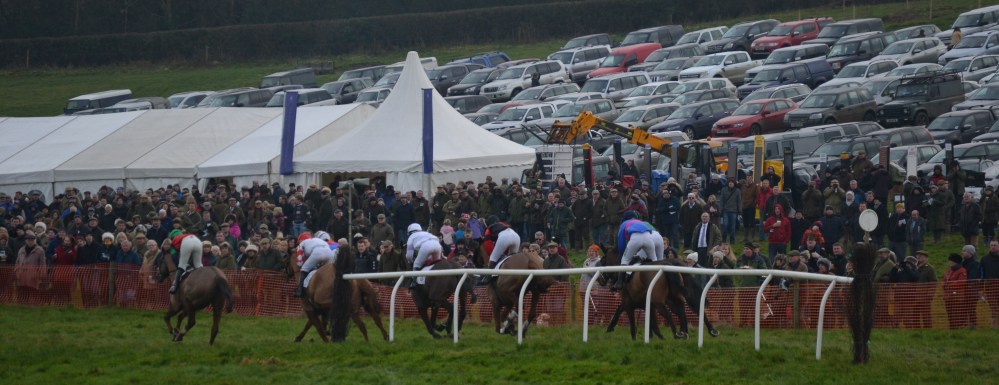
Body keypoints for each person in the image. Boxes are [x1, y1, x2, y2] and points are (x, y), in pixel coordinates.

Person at [613, 211, 661, 291]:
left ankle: (619, 282)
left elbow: (621, 243)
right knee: (654, 261)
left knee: (625, 259)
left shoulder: (624, 224)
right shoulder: (640, 221)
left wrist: (622, 254)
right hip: (649, 238)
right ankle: (658, 280)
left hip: (635, 238)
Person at [294, 231, 338, 298]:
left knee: (304, 269)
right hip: (329, 253)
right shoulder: (317, 240)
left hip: (317, 253)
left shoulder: (302, 243)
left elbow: (299, 262)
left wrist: (304, 267)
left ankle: (300, 291)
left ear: (301, 240)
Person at [479, 217, 519, 285]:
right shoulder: (504, 224)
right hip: (516, 236)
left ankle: (488, 277)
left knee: (493, 258)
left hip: (504, 237)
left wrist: (492, 256)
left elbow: (488, 244)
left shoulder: (489, 229)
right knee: (513, 258)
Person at [405, 223, 444, 289]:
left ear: (410, 232)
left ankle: (414, 282)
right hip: (438, 245)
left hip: (426, 247)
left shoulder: (411, 237)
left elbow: (409, 255)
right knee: (436, 265)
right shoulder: (426, 233)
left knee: (416, 264)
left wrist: (411, 261)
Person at [944, 253, 967, 329]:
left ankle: (958, 330)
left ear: (955, 262)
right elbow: (943, 281)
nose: (949, 262)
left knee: (957, 315)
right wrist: (944, 285)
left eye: (950, 261)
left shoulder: (962, 271)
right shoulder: (949, 270)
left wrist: (948, 285)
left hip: (957, 298)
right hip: (948, 297)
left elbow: (961, 283)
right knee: (950, 315)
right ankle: (952, 330)